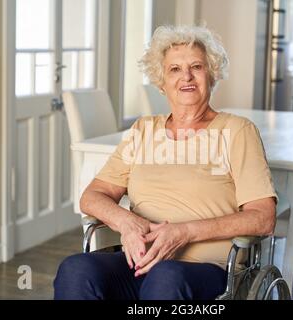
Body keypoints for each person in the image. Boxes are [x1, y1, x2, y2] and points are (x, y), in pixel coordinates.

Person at [54, 25, 277, 300]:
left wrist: (184, 233)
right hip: (138, 263)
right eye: (174, 69)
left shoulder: (237, 131)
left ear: (212, 74)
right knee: (76, 269)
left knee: (166, 276)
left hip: (205, 270)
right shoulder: (143, 131)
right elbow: (92, 197)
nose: (186, 76)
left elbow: (263, 218)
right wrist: (128, 223)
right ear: (161, 82)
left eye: (196, 66)